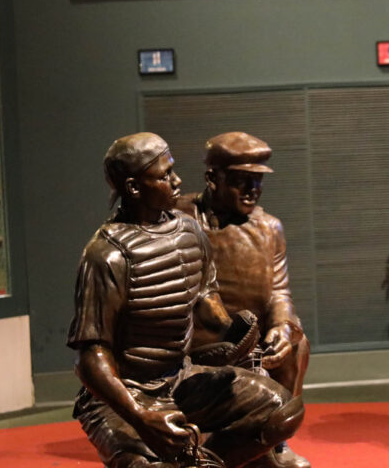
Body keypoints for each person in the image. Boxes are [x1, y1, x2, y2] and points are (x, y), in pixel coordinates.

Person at [68, 132, 305, 468]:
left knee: (282, 410)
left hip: (180, 378)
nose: (177, 180)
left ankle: (201, 462)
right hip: (125, 394)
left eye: (173, 170)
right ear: (134, 188)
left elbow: (205, 295)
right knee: (144, 464)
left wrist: (229, 330)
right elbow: (90, 358)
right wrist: (140, 415)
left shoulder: (189, 231)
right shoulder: (106, 256)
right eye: (164, 175)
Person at [176, 131, 311, 468]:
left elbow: (280, 291)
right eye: (241, 181)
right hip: (197, 341)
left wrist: (281, 325)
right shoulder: (178, 219)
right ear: (212, 178)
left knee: (295, 344)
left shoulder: (270, 229)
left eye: (257, 181)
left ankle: (275, 441)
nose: (253, 190)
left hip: (252, 339)